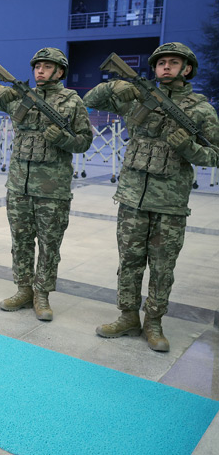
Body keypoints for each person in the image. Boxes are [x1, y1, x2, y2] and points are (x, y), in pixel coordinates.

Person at [84, 43, 219, 351]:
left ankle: (154, 323)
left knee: (161, 268)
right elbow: (90, 101)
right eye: (161, 63)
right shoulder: (139, 98)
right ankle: (128, 317)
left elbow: (215, 155)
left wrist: (188, 147)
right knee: (129, 262)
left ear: (187, 69)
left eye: (174, 62)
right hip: (132, 198)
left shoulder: (201, 109)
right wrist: (114, 85)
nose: (166, 67)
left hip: (169, 203)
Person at [0, 47, 92, 320]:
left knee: (49, 245)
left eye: (47, 66)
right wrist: (0, 89)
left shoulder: (72, 102)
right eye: (37, 66)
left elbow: (84, 141)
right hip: (19, 185)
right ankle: (23, 289)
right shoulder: (21, 97)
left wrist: (63, 138)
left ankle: (42, 294)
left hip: (52, 189)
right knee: (20, 241)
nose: (40, 70)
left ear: (60, 71)